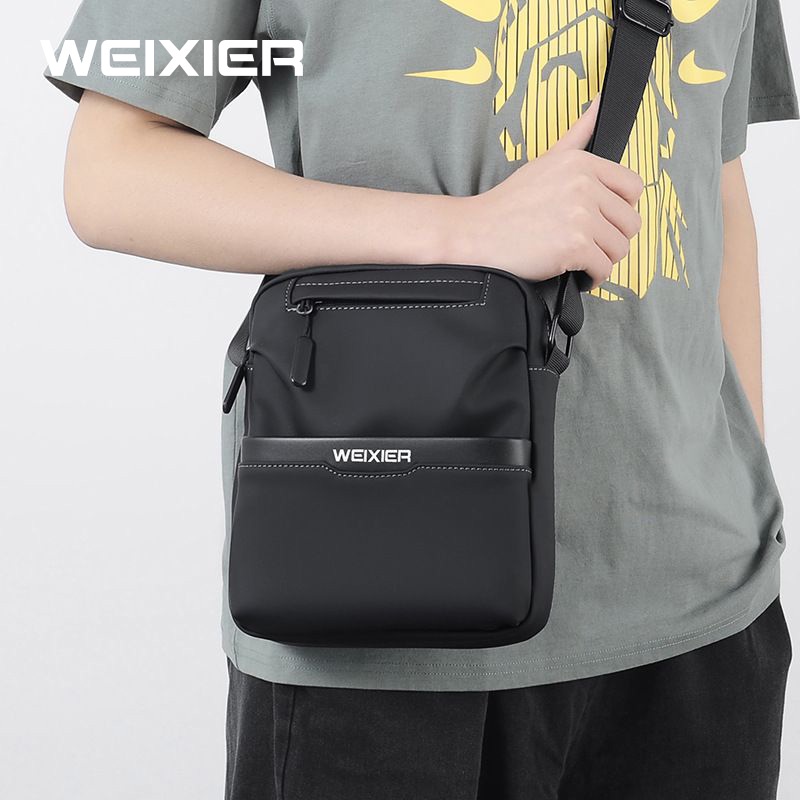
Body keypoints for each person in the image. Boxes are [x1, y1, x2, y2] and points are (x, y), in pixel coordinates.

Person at [48, 1, 797, 797]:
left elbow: (717, 180)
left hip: (706, 619)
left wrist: (742, 496)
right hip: (377, 621)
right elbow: (110, 170)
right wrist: (464, 231)